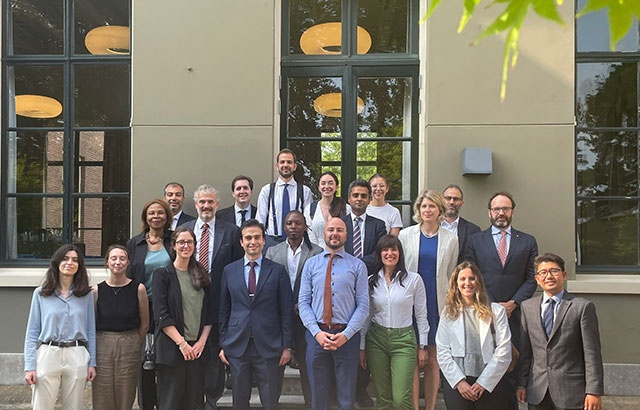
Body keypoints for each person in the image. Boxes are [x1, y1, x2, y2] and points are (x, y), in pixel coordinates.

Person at [464, 191, 538, 409]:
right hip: (485, 313)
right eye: (496, 209)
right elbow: (471, 277)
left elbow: (532, 279)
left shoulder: (527, 241)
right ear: (489, 212)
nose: (501, 213)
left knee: (514, 362)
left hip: (516, 314)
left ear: (512, 211)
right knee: (489, 362)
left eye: (505, 208)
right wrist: (494, 305)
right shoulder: (475, 241)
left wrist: (513, 303)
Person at [218, 219, 294, 410]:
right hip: (237, 345)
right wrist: (222, 343)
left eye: (257, 237)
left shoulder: (277, 271)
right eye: (248, 238)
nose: (253, 241)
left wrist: (287, 346)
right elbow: (224, 309)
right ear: (241, 242)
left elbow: (286, 310)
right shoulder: (229, 270)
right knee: (239, 401)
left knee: (270, 401)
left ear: (263, 240)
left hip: (269, 345)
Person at [180, 184, 243, 410]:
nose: (206, 206)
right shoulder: (184, 229)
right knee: (192, 347)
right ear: (196, 204)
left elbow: (237, 267)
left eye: (210, 202)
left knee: (215, 349)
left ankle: (212, 398)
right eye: (202, 202)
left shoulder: (232, 231)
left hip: (220, 300)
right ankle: (193, 396)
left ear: (217, 204)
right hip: (189, 300)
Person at [298, 217, 369, 410]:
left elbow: (363, 305)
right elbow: (303, 303)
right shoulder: (311, 265)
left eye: (339, 230)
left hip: (346, 337)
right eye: (331, 230)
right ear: (324, 234)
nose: (335, 234)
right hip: (317, 336)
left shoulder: (358, 266)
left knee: (346, 398)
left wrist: (346, 335)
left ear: (346, 235)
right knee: (318, 397)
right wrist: (317, 333)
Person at [516, 253, 604, 410]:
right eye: (543, 272)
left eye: (554, 271)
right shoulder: (527, 307)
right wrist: (521, 384)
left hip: (572, 393)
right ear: (537, 279)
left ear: (563, 275)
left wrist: (594, 391)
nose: (548, 276)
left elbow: (592, 354)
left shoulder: (581, 307)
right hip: (538, 391)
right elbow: (525, 352)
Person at [398, 189, 458, 410]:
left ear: (440, 210)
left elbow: (452, 274)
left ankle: (430, 407)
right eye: (424, 206)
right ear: (418, 210)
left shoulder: (451, 239)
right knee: (413, 360)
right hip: (411, 304)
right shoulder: (406, 235)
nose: (428, 210)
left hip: (437, 304)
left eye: (432, 206)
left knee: (433, 360)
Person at [359, 235, 429, 410]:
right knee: (383, 397)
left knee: (401, 398)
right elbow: (366, 317)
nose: (390, 253)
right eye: (385, 249)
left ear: (400, 253)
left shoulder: (414, 280)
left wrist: (423, 347)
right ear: (379, 254)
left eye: (394, 249)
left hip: (404, 340)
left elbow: (421, 315)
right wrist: (361, 347)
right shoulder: (371, 281)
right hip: (376, 339)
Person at [24, 244, 96, 410]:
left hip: (76, 354)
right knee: (42, 405)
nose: (69, 262)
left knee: (74, 406)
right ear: (57, 263)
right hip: (48, 353)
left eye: (75, 260)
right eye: (65, 258)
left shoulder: (86, 295)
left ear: (79, 266)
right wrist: (30, 367)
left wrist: (92, 363)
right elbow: (32, 332)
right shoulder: (41, 294)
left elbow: (91, 331)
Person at [265, 210, 323, 409]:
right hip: (279, 319)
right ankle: (272, 403)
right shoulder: (272, 252)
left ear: (305, 227)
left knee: (308, 364)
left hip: (305, 318)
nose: (293, 227)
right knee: (276, 364)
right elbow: (268, 285)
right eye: (289, 223)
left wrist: (303, 305)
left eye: (298, 223)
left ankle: (311, 404)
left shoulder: (316, 252)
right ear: (284, 226)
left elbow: (319, 285)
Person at [152, 227, 215, 410]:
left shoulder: (201, 274)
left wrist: (201, 342)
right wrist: (182, 344)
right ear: (173, 246)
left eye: (189, 242)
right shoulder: (162, 275)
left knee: (195, 404)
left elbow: (210, 313)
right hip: (172, 351)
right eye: (181, 242)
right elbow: (161, 314)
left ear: (195, 245)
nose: (185, 246)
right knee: (170, 403)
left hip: (197, 351)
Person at [436, 262, 512, 410]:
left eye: (471, 278)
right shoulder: (448, 313)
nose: (467, 283)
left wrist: (484, 382)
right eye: (462, 279)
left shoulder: (497, 311)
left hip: (489, 381)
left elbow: (504, 350)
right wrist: (459, 382)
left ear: (478, 281)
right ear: (456, 283)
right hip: (458, 383)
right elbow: (442, 350)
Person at [340, 179, 386, 406]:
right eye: (355, 195)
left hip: (371, 286)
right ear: (349, 199)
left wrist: (354, 263)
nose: (359, 199)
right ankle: (343, 391)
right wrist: (355, 263)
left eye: (363, 195)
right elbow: (335, 251)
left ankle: (361, 390)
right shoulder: (340, 223)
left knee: (364, 338)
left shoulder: (378, 225)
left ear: (370, 199)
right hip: (344, 290)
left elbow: (379, 256)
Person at [126, 198, 173, 410]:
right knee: (144, 358)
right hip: (142, 306)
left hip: (168, 307)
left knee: (165, 357)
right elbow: (127, 276)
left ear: (167, 216)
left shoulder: (174, 240)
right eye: (152, 213)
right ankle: (146, 404)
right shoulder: (134, 243)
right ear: (145, 217)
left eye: (160, 213)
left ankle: (166, 402)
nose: (156, 216)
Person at [92, 245, 149, 410]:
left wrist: (135, 341)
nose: (118, 262)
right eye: (113, 258)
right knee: (102, 390)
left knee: (126, 389)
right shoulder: (96, 290)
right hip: (102, 343)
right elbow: (92, 323)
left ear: (128, 262)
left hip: (129, 342)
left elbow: (144, 323)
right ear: (107, 263)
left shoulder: (139, 289)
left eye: (122, 258)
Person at [256, 148, 313, 243]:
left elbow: (308, 222)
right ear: (277, 166)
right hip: (272, 242)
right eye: (282, 162)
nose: (285, 165)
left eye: (289, 162)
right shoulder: (267, 190)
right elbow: (260, 220)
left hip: (297, 242)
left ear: (294, 166)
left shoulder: (305, 191)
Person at [440, 184, 481, 264]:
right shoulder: (432, 227)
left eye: (456, 199)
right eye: (448, 198)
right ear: (442, 201)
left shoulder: (473, 231)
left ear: (461, 203)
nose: (451, 202)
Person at [309, 171, 348, 249]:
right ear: (319, 187)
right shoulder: (310, 209)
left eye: (330, 183)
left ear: (336, 187)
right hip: (317, 254)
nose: (326, 186)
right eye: (323, 183)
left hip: (340, 252)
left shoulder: (346, 208)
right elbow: (311, 235)